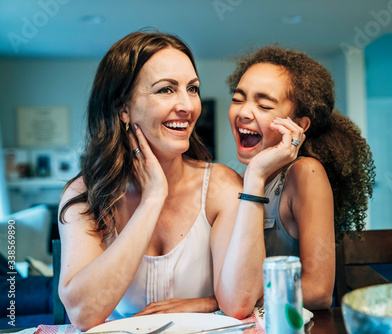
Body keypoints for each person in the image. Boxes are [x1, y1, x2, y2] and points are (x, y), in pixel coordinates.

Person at [57, 31, 262, 330]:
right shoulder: (85, 194)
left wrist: (208, 302)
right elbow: (83, 313)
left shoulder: (221, 187)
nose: (188, 106)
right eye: (166, 90)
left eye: (192, 89)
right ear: (123, 108)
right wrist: (152, 199)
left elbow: (240, 302)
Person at [226, 46, 376, 309]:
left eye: (263, 104)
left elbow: (318, 291)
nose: (244, 113)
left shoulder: (305, 173)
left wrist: (220, 301)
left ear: (300, 125)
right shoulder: (246, 179)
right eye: (238, 99)